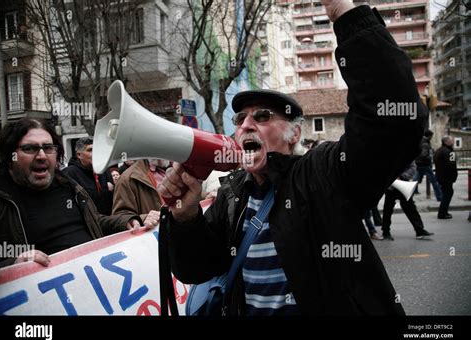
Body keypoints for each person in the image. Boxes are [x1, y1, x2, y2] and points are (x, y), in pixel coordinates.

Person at [159, 0, 427, 315]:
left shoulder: (322, 174)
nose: (246, 124)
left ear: (295, 135)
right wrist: (186, 218)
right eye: (240, 119)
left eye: (261, 116)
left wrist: (345, 14)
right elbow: (198, 270)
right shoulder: (232, 195)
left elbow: (394, 121)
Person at [0, 118, 142, 268]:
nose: (41, 156)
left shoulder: (67, 184)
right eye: (29, 149)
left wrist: (124, 222)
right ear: (10, 156)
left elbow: (92, 222)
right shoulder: (1, 198)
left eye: (48, 148)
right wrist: (13, 263)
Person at [381, 162, 434, 241]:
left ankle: (419, 230)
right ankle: (385, 232)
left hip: (403, 184)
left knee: (410, 207)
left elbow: (413, 167)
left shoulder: (406, 152)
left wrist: (402, 176)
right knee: (388, 209)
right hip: (391, 186)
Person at [63, 137, 114, 215]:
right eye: (90, 150)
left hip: (107, 222)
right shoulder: (70, 173)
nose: (95, 153)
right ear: (79, 155)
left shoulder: (104, 170)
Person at [112, 159, 168, 228]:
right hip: (153, 235)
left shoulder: (174, 169)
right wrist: (142, 219)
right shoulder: (127, 179)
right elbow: (120, 218)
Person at [414, 129, 442, 201]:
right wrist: (430, 157)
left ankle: (409, 196)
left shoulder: (420, 141)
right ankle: (439, 197)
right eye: (431, 136)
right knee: (434, 181)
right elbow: (424, 154)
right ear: (429, 136)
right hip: (425, 165)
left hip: (418, 164)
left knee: (415, 181)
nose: (431, 138)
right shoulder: (425, 144)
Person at [434, 135, 458, 219]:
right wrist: (454, 176)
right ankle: (442, 213)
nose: (453, 142)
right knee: (448, 194)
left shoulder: (439, 150)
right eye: (451, 141)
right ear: (446, 142)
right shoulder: (450, 152)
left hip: (440, 176)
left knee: (446, 194)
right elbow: (452, 165)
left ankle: (444, 212)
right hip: (447, 177)